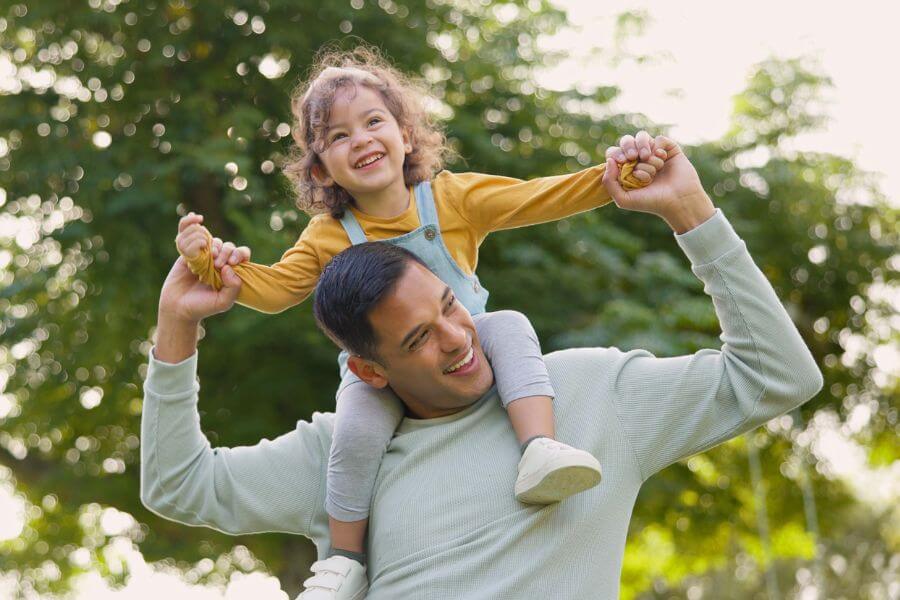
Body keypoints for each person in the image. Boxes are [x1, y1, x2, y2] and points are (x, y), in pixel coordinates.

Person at [141, 133, 823, 599]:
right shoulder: (339, 455)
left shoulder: (590, 392)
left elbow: (778, 375)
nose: (457, 339)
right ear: (370, 371)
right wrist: (178, 325)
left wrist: (689, 211)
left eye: (449, 307)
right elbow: (177, 485)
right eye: (417, 341)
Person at [173, 46, 667, 595]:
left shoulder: (451, 198)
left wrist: (614, 178)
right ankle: (344, 558)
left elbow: (536, 199)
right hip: (388, 377)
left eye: (373, 121)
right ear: (321, 168)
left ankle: (538, 450)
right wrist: (209, 265)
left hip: (472, 352)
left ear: (405, 135)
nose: (359, 139)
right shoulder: (326, 237)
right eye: (338, 136)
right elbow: (273, 291)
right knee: (354, 432)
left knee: (508, 324)